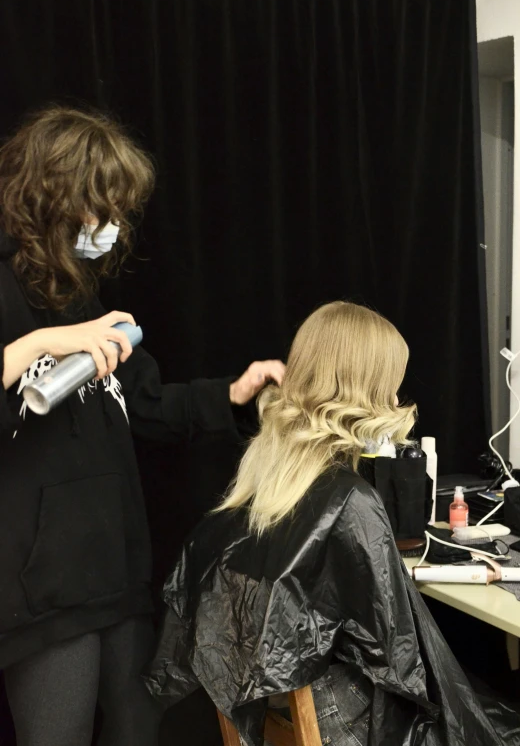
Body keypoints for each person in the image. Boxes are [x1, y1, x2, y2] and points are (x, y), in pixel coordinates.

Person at [0, 106, 285, 746]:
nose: (113, 226)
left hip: (116, 571)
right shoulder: (10, 293)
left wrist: (234, 396)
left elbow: (149, 405)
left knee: (138, 731)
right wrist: (46, 341)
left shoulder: (79, 295)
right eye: (105, 208)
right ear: (57, 195)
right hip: (43, 590)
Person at [146, 301, 520, 746]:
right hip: (344, 719)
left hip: (282, 708)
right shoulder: (348, 499)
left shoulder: (262, 482)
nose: (395, 399)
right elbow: (399, 662)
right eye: (390, 384)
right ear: (369, 390)